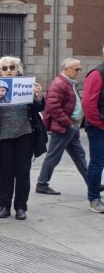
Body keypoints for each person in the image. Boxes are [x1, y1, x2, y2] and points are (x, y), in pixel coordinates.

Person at [0, 57, 45, 220]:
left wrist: (38, 96)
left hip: (25, 134)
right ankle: (4, 205)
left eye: (12, 67)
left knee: (23, 171)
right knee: (6, 172)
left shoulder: (26, 86)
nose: (8, 70)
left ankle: (21, 207)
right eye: (4, 68)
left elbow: (38, 108)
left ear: (18, 70)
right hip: (2, 137)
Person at [36, 58, 92, 196]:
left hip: (72, 126)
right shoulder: (59, 84)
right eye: (76, 69)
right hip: (64, 127)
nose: (79, 71)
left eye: (80, 69)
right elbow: (53, 107)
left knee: (79, 155)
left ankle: (92, 182)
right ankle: (42, 184)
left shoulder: (69, 83)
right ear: (66, 69)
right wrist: (68, 123)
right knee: (53, 156)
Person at [82, 48, 104, 214]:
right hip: (99, 126)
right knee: (97, 162)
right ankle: (94, 198)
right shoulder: (97, 74)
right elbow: (88, 104)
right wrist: (98, 123)